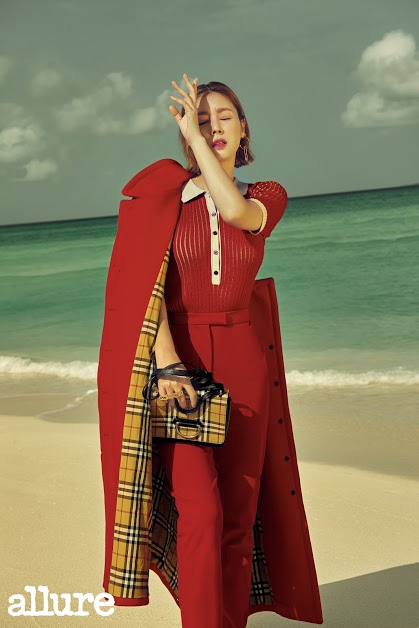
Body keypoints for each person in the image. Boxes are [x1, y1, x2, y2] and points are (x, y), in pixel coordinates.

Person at [154, 73, 286, 627]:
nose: (213, 128)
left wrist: (201, 148)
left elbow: (235, 215)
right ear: (188, 132)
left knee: (237, 517)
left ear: (244, 126)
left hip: (244, 361)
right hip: (180, 366)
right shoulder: (163, 202)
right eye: (201, 120)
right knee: (201, 514)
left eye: (224, 117)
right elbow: (147, 293)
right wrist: (167, 364)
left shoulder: (266, 196)